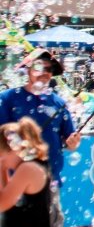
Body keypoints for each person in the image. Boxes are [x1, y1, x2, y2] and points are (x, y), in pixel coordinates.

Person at [0, 49, 81, 188]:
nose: (44, 72)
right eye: (38, 67)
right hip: (16, 181)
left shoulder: (59, 103)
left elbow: (69, 141)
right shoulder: (7, 98)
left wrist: (73, 143)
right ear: (28, 70)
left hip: (50, 181)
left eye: (48, 69)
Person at [0, 117, 53, 227]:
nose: (2, 159)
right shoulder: (32, 165)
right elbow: (10, 199)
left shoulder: (28, 168)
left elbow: (2, 203)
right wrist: (2, 170)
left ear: (12, 150)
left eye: (1, 155)